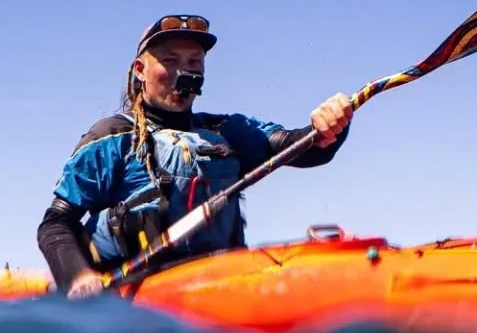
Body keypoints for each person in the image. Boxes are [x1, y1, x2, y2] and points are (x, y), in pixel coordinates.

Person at [37, 15, 354, 297]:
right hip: (137, 291)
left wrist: (330, 125)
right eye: (170, 60)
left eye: (194, 61)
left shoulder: (228, 130)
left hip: (222, 281)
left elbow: (306, 149)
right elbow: (55, 224)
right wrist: (79, 278)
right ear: (140, 70)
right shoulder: (111, 137)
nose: (184, 71)